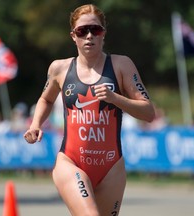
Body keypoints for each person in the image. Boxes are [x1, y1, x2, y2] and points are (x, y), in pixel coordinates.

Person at [23, 4, 154, 216]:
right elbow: (45, 99)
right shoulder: (60, 68)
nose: (89, 36)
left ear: (104, 34)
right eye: (82, 31)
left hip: (111, 167)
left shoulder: (121, 65)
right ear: (73, 36)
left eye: (96, 29)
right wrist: (36, 124)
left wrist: (115, 98)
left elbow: (149, 113)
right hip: (72, 162)